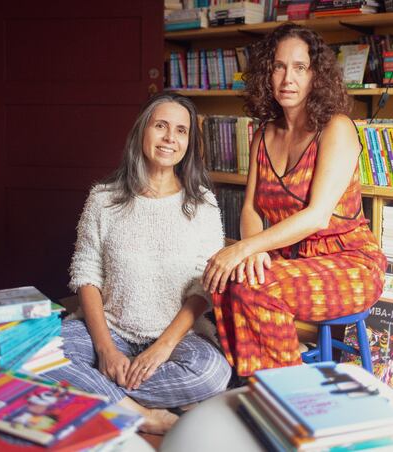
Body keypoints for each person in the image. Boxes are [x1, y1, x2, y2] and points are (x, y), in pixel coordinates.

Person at [202, 23, 387, 377]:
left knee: (252, 285)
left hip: (350, 264)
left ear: (315, 75)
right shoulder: (263, 135)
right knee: (224, 280)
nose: (288, 78)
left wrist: (241, 250)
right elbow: (251, 208)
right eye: (278, 66)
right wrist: (253, 251)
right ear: (266, 74)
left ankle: (288, 395)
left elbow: (317, 217)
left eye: (300, 67)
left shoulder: (336, 128)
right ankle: (253, 381)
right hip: (290, 259)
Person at [42, 92, 231, 434]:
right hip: (108, 326)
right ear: (142, 131)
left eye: (181, 130)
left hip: (176, 336)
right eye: (161, 126)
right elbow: (86, 273)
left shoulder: (203, 204)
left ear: (189, 142)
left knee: (213, 374)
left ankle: (96, 394)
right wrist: (105, 350)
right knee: (38, 354)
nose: (171, 138)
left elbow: (203, 286)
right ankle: (138, 412)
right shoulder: (104, 198)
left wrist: (161, 348)